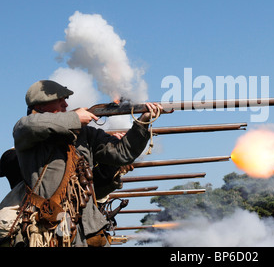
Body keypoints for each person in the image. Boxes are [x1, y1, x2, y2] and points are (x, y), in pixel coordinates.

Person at [0, 80, 171, 247]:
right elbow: (28, 125)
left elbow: (122, 154)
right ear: (42, 105)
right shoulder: (27, 131)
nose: (66, 105)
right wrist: (74, 118)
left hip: (80, 227)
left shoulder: (85, 133)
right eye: (60, 101)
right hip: (44, 225)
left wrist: (143, 121)